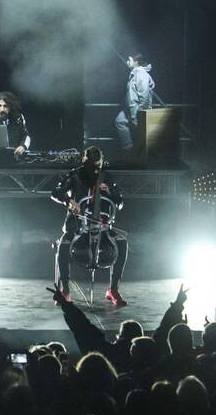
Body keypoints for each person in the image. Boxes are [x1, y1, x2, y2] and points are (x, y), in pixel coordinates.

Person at [51, 145, 128, 307]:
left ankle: (113, 289)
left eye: (97, 166)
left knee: (122, 243)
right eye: (91, 165)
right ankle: (65, 290)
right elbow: (56, 192)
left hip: (102, 227)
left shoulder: (106, 177)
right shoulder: (75, 174)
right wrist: (68, 201)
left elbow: (120, 202)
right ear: (84, 161)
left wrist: (109, 191)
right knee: (64, 244)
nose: (94, 170)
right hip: (78, 225)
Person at [115, 54, 155, 152]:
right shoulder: (135, 73)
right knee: (120, 121)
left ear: (136, 62)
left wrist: (142, 110)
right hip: (131, 108)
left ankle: (146, 154)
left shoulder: (141, 74)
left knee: (141, 132)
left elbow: (144, 93)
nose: (128, 62)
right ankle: (128, 149)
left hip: (138, 109)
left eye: (130, 60)